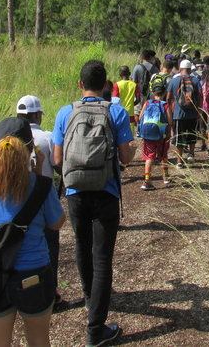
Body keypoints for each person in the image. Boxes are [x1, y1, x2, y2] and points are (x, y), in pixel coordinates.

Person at [0, 118, 65, 347]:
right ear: (30, 148)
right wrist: (38, 173)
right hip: (34, 274)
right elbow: (56, 224)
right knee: (39, 340)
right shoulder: (41, 185)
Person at [52, 60, 135, 347]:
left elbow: (58, 160)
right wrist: (131, 151)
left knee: (81, 248)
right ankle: (95, 328)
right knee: (102, 258)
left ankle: (89, 299)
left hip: (75, 194)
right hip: (106, 192)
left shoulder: (65, 113)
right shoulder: (117, 112)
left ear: (80, 84)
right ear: (106, 86)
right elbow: (125, 159)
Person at [15, 95, 64, 306]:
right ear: (37, 115)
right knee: (49, 246)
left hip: (14, 201)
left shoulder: (9, 140)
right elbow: (57, 165)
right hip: (43, 197)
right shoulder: (47, 137)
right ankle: (49, 292)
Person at [166, 59, 202, 166]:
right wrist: (199, 111)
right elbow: (200, 96)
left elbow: (168, 98)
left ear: (180, 69)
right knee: (192, 135)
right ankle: (191, 154)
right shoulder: (195, 80)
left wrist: (170, 110)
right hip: (193, 114)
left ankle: (179, 161)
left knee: (179, 138)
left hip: (178, 114)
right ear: (190, 69)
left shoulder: (173, 81)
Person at [138, 84, 173, 190]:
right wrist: (168, 133)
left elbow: (140, 117)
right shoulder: (165, 105)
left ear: (153, 93)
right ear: (164, 93)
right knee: (163, 155)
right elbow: (170, 121)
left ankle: (147, 180)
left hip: (148, 134)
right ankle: (166, 177)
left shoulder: (147, 102)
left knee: (149, 156)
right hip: (161, 134)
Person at [132, 50, 158, 129]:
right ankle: (147, 127)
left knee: (137, 111)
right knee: (149, 110)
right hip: (151, 94)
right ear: (150, 57)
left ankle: (139, 129)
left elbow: (133, 82)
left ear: (142, 57)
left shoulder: (137, 67)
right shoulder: (154, 68)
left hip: (139, 93)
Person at [113, 65, 138, 136]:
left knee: (119, 134)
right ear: (130, 73)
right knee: (129, 136)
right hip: (130, 113)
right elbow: (138, 99)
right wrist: (132, 104)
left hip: (119, 112)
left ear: (119, 74)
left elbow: (115, 99)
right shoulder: (134, 85)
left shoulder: (117, 85)